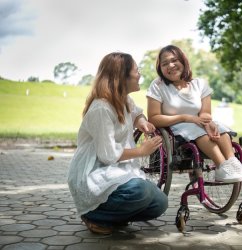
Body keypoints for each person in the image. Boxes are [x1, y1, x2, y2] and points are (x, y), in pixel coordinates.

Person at [67, 52, 168, 235]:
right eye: (136, 71)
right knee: (140, 190)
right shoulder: (101, 108)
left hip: (115, 171)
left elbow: (136, 113)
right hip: (93, 173)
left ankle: (112, 218)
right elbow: (108, 155)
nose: (140, 75)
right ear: (122, 76)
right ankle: (93, 215)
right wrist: (141, 151)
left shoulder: (123, 99)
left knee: (160, 203)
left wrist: (142, 122)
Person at [146, 45, 242, 183]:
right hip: (174, 130)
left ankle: (232, 163)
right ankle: (221, 165)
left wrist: (209, 123)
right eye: (164, 63)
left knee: (220, 128)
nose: (170, 65)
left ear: (183, 61)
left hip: (198, 124)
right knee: (197, 130)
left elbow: (206, 113)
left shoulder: (199, 84)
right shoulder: (158, 85)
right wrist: (185, 117)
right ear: (160, 68)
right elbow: (153, 118)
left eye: (174, 60)